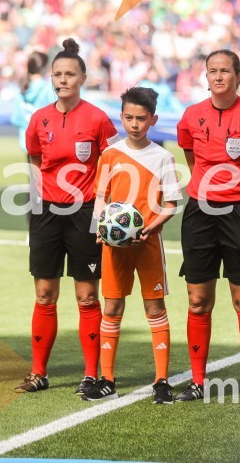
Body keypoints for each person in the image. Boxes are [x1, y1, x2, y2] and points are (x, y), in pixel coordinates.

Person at [15, 38, 119, 394]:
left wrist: (104, 208)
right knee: (44, 293)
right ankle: (38, 373)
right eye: (57, 74)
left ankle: (91, 374)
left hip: (86, 212)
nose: (63, 80)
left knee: (87, 296)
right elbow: (33, 160)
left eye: (70, 74)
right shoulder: (39, 118)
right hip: (45, 212)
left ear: (83, 78)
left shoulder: (98, 119)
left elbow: (112, 165)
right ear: (51, 78)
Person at [174, 49, 240, 404]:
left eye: (225, 71)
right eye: (212, 71)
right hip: (199, 213)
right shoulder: (190, 116)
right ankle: (197, 381)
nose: (218, 77)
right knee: (198, 300)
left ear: (238, 76)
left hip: (239, 215)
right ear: (206, 76)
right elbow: (191, 157)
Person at [82, 86, 182, 403]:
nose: (134, 124)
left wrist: (150, 228)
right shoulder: (110, 155)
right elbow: (101, 197)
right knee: (111, 307)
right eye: (128, 117)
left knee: (154, 308)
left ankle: (162, 380)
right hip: (114, 246)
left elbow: (171, 204)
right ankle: (107, 378)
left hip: (148, 244)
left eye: (141, 118)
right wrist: (100, 226)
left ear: (153, 119)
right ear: (121, 116)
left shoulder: (163, 157)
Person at [10, 51, 55, 155]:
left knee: (33, 171)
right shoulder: (49, 89)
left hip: (26, 142)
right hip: (44, 142)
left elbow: (16, 119)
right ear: (45, 67)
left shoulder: (22, 89)